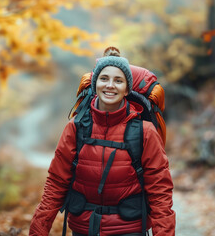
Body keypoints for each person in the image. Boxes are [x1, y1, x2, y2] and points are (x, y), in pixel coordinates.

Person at [30, 48, 175, 236]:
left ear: (127, 88)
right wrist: (37, 232)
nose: (110, 85)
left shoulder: (144, 131)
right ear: (95, 83)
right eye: (104, 78)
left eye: (118, 80)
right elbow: (56, 184)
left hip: (129, 229)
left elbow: (160, 192)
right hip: (83, 228)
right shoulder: (76, 127)